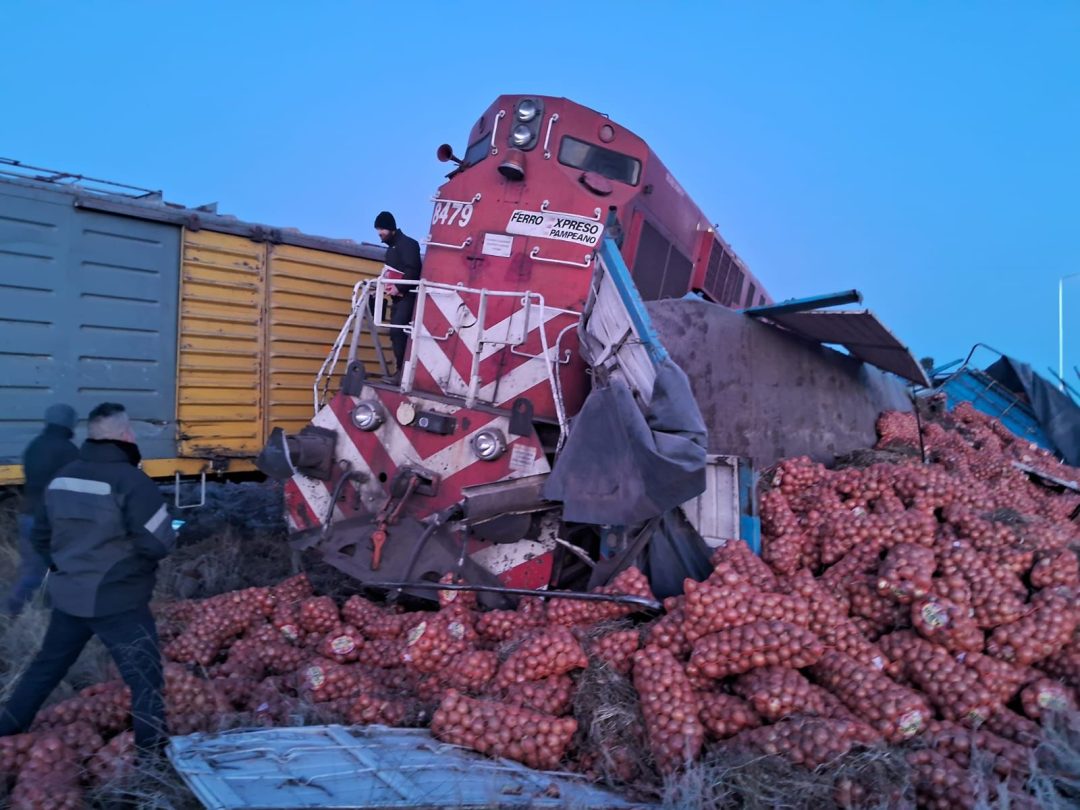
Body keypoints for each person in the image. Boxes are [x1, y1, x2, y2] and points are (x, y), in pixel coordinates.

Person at [0, 402, 175, 756]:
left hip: (70, 598)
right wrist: (131, 570)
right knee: (145, 681)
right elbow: (158, 543)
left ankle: (6, 729)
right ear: (126, 435)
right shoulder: (133, 481)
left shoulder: (63, 477)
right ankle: (152, 764)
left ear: (91, 436)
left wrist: (66, 569)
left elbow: (42, 537)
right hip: (119, 602)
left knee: (44, 671)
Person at [6, 403, 79, 616]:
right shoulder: (69, 451)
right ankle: (9, 612)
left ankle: (34, 613)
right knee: (51, 572)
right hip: (52, 522)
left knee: (33, 570)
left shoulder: (34, 446)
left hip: (28, 516)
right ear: (69, 423)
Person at [375, 210, 422, 384]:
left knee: (398, 331)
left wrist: (399, 286)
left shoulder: (408, 244)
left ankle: (402, 373)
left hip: (408, 297)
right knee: (395, 333)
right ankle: (400, 371)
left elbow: (413, 270)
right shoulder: (392, 249)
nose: (379, 233)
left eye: (381, 229)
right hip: (397, 298)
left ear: (391, 228)